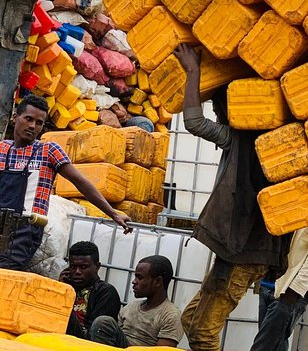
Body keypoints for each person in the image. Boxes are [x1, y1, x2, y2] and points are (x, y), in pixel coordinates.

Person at [173, 44, 291, 351]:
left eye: (219, 107)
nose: (217, 113)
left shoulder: (242, 139)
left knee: (202, 332)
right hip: (238, 250)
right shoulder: (269, 137)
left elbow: (194, 122)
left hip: (247, 252)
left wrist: (193, 71)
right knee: (190, 321)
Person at [0, 95, 131, 270]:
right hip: (1, 221)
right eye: (28, 119)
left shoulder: (48, 150)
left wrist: (113, 213)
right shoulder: (2, 148)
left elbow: (81, 182)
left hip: (25, 230)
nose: (33, 126)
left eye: (39, 123)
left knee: (6, 275)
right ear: (16, 117)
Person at [251, 228, 308, 351]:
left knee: (262, 347)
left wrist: (294, 291)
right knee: (275, 346)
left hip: (289, 291)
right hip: (267, 284)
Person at [90, 255, 184, 347]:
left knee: (103, 322)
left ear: (157, 281)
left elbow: (163, 350)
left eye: (140, 277)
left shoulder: (171, 315)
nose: (134, 282)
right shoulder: (130, 308)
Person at [61, 241, 122, 339]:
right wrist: (60, 290)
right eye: (73, 267)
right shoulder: (66, 286)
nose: (77, 272)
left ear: (97, 267)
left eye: (83, 267)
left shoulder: (105, 292)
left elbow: (95, 333)